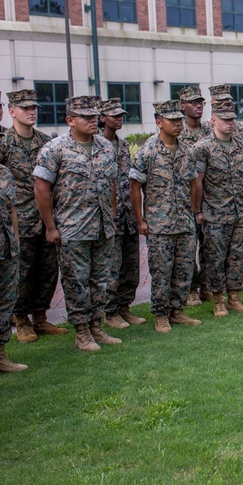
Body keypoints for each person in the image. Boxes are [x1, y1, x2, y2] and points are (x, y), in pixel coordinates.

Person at [33, 95, 122, 352]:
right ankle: (82, 332)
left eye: (95, 116)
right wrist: (50, 227)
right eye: (86, 116)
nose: (93, 120)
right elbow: (41, 188)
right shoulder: (55, 148)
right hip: (73, 228)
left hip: (103, 227)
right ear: (70, 120)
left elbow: (112, 184)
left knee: (100, 281)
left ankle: (96, 327)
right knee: (76, 282)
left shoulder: (105, 147)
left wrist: (112, 216)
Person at [0, 89, 66, 342]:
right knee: (22, 273)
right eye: (25, 108)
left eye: (33, 107)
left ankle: (41, 317)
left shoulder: (46, 142)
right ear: (11, 111)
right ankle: (22, 320)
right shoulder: (2, 143)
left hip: (46, 217)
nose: (31, 111)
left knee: (48, 270)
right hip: (18, 219)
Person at [130, 100, 202, 333]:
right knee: (161, 272)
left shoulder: (186, 151)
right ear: (159, 123)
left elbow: (193, 183)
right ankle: (161, 315)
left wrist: (191, 211)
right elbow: (134, 188)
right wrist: (140, 220)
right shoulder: (147, 151)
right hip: (159, 224)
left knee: (184, 270)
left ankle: (177, 311)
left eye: (180, 120)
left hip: (184, 222)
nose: (178, 124)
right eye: (172, 120)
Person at [193, 99, 243, 318]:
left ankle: (234, 297)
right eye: (225, 119)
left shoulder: (241, 148)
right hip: (215, 213)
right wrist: (198, 211)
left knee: (238, 256)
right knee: (215, 258)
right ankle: (218, 300)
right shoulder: (203, 148)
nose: (230, 123)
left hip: (239, 213)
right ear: (213, 120)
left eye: (232, 119)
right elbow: (197, 182)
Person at [0, 118, 27, 382]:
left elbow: (12, 209)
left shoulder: (2, 172)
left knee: (3, 304)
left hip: (7, 250)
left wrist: (17, 242)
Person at [100, 98, 145, 329]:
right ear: (102, 118)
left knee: (130, 266)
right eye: (114, 115)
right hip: (109, 217)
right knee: (112, 267)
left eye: (121, 115)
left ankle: (125, 307)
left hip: (127, 215)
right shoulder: (97, 146)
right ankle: (110, 312)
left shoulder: (123, 145)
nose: (119, 119)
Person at [176, 84, 209, 306]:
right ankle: (191, 289)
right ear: (182, 106)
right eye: (193, 102)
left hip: (211, 198)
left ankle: (209, 287)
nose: (198, 106)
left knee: (210, 246)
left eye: (200, 102)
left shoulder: (209, 131)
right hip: (185, 200)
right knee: (188, 247)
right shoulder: (177, 132)